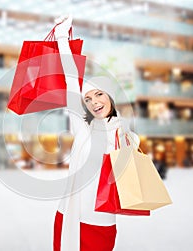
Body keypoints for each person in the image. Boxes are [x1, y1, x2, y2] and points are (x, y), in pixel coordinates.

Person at [53, 16, 140, 251]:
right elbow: (71, 80)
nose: (94, 102)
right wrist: (62, 37)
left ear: (110, 97)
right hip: (69, 216)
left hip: (101, 223)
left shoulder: (127, 136)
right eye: (88, 99)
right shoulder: (83, 128)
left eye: (99, 95)